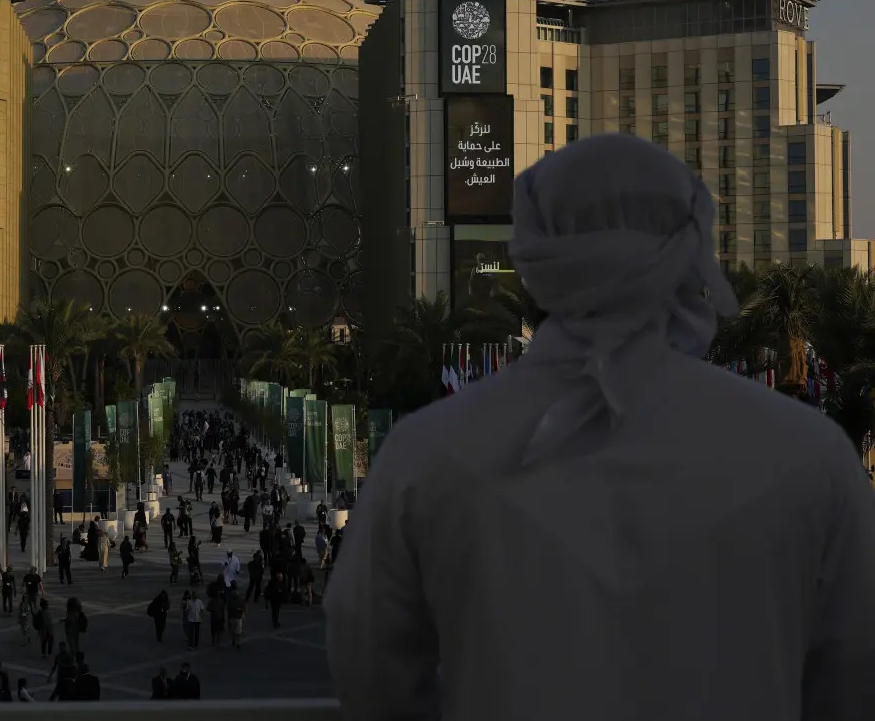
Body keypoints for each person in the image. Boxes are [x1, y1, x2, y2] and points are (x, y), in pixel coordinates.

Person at [325, 133, 875, 721]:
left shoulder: (425, 456)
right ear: (689, 253)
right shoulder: (812, 457)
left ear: (535, 260)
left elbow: (369, 664)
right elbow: (851, 679)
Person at [227, 582, 246, 649]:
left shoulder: (230, 600)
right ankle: (238, 642)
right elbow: (243, 608)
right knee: (238, 630)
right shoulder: (241, 600)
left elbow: (228, 608)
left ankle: (234, 640)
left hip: (233, 616)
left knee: (233, 629)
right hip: (238, 616)